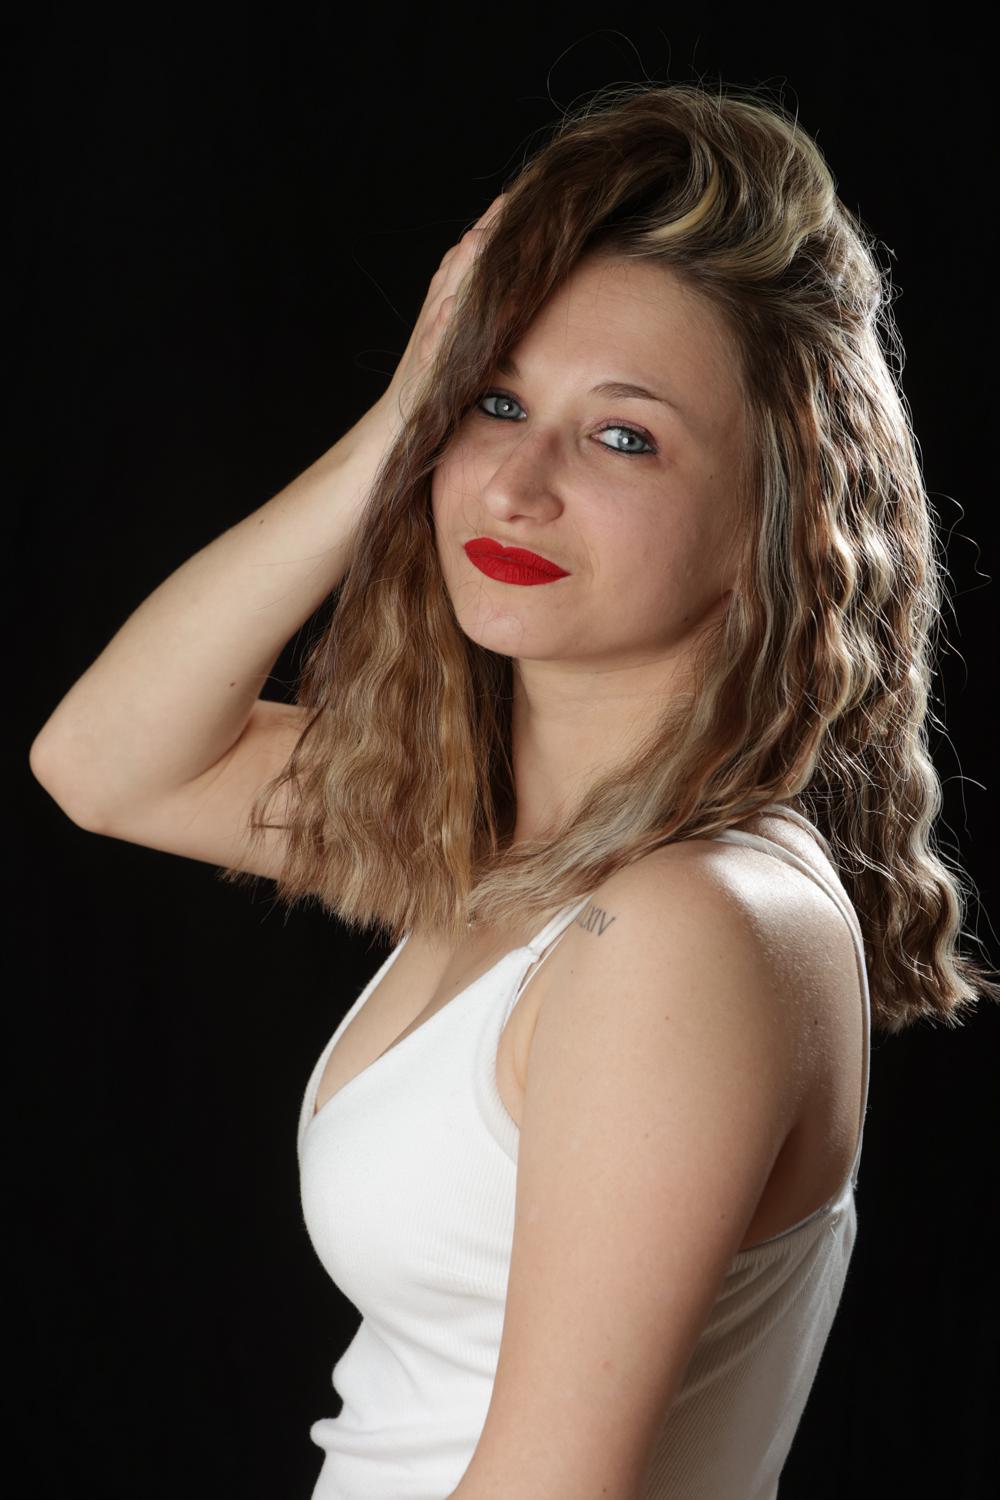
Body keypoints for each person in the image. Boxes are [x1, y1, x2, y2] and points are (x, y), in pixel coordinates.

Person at [30, 80, 998, 1500]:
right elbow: (103, 765)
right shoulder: (517, 841)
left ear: (776, 514)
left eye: (623, 436)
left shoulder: (684, 923)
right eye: (496, 402)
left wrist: (455, 407)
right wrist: (400, 424)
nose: (516, 486)